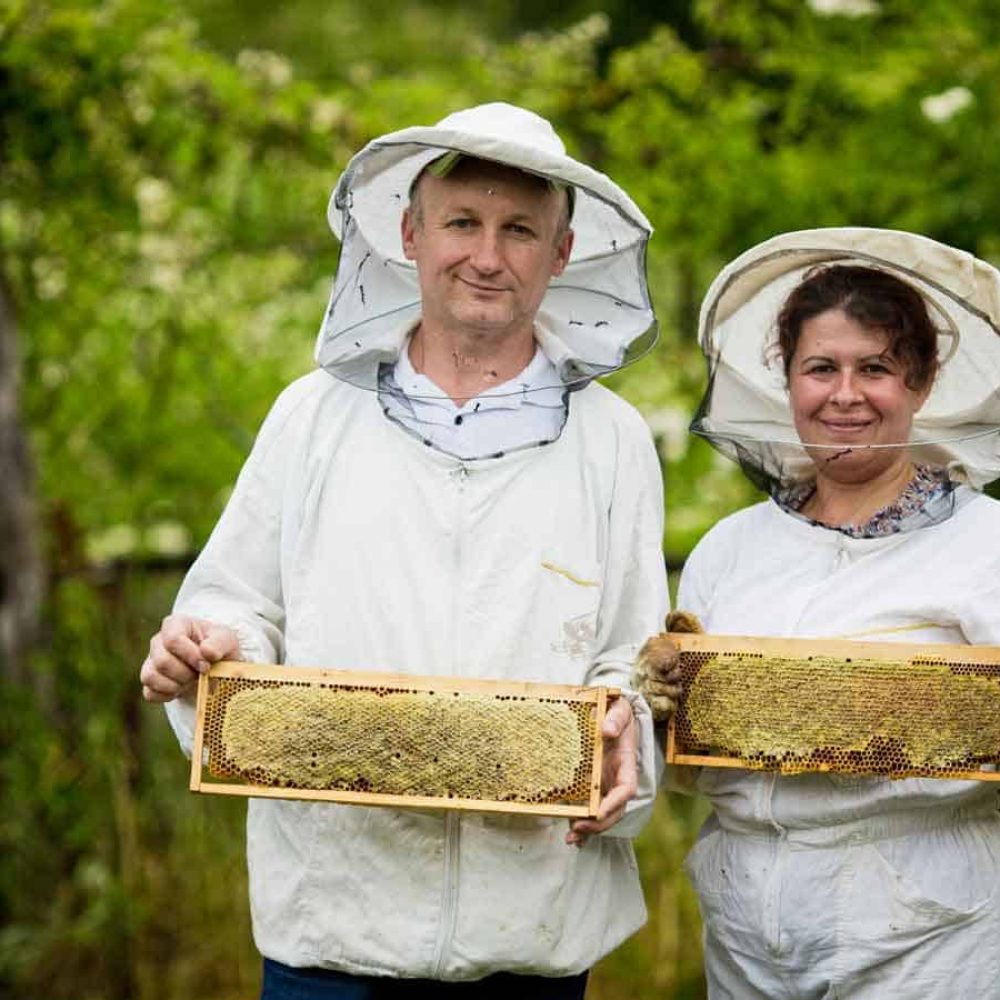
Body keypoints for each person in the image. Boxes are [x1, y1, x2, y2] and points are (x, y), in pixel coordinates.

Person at [139, 102, 669, 998]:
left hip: (530, 927)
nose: (487, 257)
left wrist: (621, 727)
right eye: (462, 223)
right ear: (409, 234)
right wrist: (208, 650)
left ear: (563, 254)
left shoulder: (613, 441)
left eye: (519, 231)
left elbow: (632, 652)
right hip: (333, 923)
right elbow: (238, 603)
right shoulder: (310, 417)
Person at [637, 228, 1000, 999]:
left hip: (931, 928)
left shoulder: (985, 545)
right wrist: (661, 701)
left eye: (875, 368)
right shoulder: (730, 549)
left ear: (922, 383)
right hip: (745, 921)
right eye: (820, 368)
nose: (845, 394)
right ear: (787, 383)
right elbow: (686, 767)